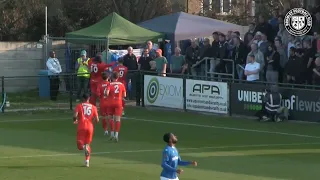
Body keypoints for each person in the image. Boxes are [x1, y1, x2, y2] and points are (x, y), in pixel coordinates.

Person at [73, 93, 99, 167]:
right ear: (89, 98)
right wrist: (91, 123)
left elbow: (75, 115)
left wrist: (75, 120)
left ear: (83, 98)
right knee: (87, 144)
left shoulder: (79, 106)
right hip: (90, 127)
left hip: (81, 126)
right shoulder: (94, 107)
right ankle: (87, 161)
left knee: (79, 144)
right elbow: (97, 120)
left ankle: (84, 148)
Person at [105, 72, 126, 142]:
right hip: (118, 103)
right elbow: (124, 95)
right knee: (117, 119)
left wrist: (107, 94)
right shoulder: (121, 85)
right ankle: (116, 135)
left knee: (110, 118)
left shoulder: (110, 84)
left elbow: (107, 93)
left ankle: (112, 134)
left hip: (111, 102)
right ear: (118, 77)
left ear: (112, 77)